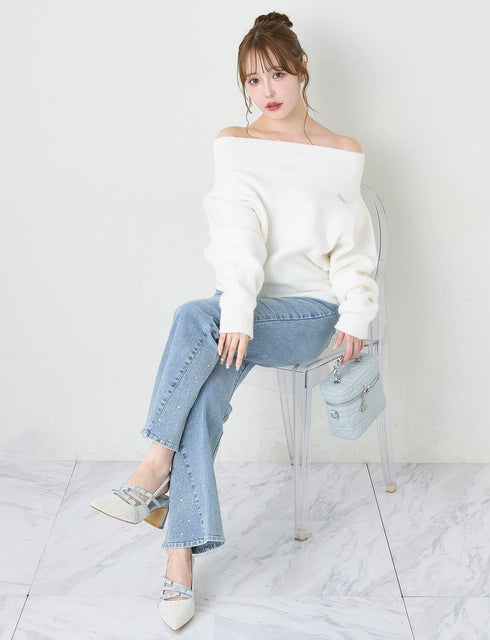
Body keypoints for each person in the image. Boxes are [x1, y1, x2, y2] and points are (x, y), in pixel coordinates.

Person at [89, 11, 379, 631]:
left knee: (194, 317)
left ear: (302, 71)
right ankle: (178, 561)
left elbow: (354, 251)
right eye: (252, 79)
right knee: (205, 396)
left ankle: (154, 466)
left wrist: (357, 310)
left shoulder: (343, 153)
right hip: (242, 309)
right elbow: (237, 236)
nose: (266, 90)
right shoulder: (236, 144)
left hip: (307, 313)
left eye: (277, 74)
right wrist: (240, 309)